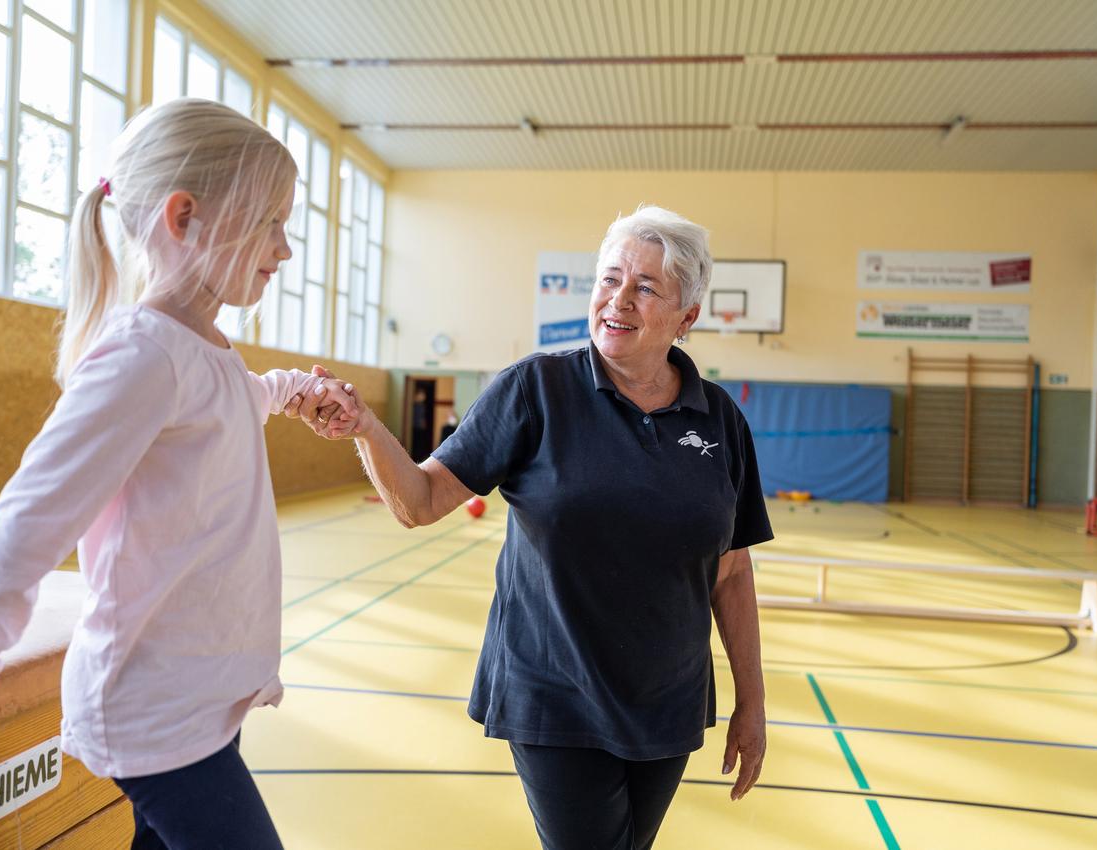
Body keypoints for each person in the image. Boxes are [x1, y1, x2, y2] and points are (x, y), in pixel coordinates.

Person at [0, 99, 358, 849]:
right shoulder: (144, 355)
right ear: (185, 218)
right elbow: (28, 521)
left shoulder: (204, 351)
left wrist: (297, 390)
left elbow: (239, 397)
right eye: (270, 221)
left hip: (200, 699)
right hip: (154, 708)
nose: (285, 247)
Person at [288, 206, 772, 850]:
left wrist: (752, 702)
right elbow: (420, 502)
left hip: (667, 700)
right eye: (609, 279)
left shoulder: (720, 420)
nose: (618, 300)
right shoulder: (535, 390)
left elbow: (732, 571)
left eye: (646, 287)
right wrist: (367, 429)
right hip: (554, 692)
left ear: (687, 316)